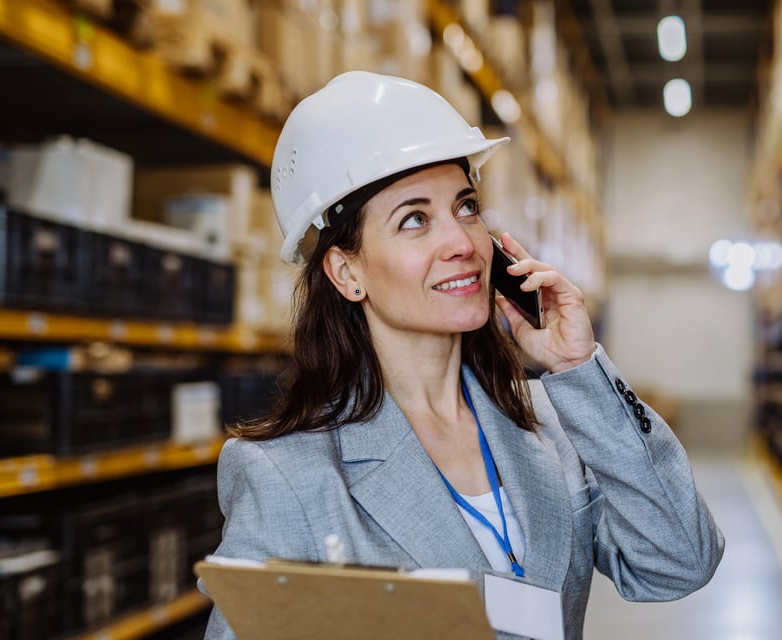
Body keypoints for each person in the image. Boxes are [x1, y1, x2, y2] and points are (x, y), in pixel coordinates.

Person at [202, 71, 724, 639]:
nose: (462, 243)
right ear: (347, 271)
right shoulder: (288, 475)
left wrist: (578, 369)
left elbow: (679, 563)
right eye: (415, 220)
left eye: (467, 207)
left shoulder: (550, 424)